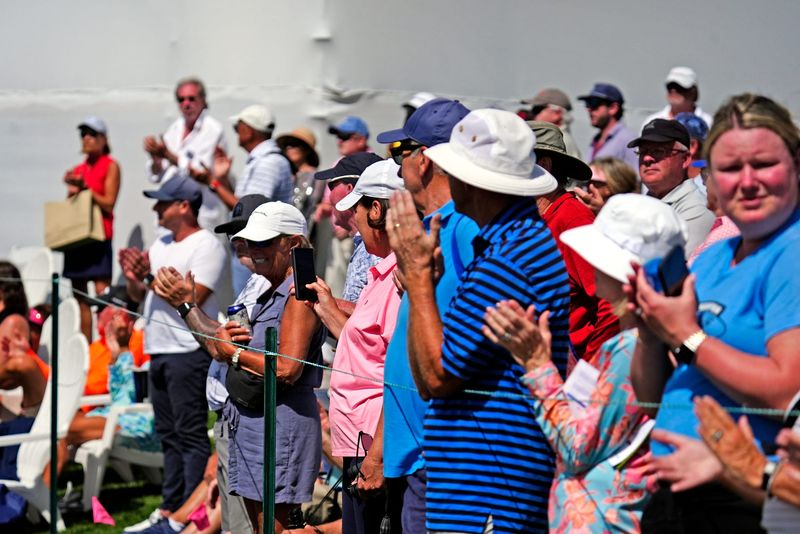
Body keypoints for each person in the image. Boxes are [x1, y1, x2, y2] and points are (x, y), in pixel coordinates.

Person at [387, 109, 570, 532]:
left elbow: (436, 376)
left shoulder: (507, 260)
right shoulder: (512, 245)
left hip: (487, 486)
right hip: (483, 482)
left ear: (475, 181)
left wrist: (417, 282)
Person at [630, 93, 800, 532]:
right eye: (728, 168)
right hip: (677, 495)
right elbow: (651, 394)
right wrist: (652, 327)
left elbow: (787, 392)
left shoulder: (792, 252)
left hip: (743, 501)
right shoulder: (713, 257)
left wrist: (687, 336)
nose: (746, 182)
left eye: (763, 164)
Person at [483, 193, 690, 532]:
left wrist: (537, 365)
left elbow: (576, 447)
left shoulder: (631, 349)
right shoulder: (635, 344)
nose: (586, 263)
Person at [376, 97, 476, 534]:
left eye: (401, 152)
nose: (396, 167)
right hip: (420, 446)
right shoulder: (437, 226)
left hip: (442, 449)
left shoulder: (465, 227)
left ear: (427, 160)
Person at [152, 194, 270, 534]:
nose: (238, 241)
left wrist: (186, 306)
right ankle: (175, 518)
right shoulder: (254, 284)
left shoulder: (270, 286)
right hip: (232, 413)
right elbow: (221, 343)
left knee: (245, 524)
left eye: (247, 231)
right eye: (234, 233)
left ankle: (177, 521)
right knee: (234, 522)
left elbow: (221, 347)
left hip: (249, 415)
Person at [211, 202, 326, 533]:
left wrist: (232, 353)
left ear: (292, 243)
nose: (253, 250)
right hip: (259, 421)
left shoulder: (299, 293)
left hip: (281, 425)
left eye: (265, 242)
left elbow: (288, 368)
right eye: (251, 242)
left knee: (278, 529)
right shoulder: (270, 288)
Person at [119, 175, 226, 527]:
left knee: (190, 433)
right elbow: (141, 298)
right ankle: (169, 508)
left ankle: (186, 513)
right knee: (168, 433)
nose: (156, 208)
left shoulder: (207, 244)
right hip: (158, 348)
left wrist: (148, 278)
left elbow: (194, 299)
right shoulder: (161, 242)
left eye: (163, 202)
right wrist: (136, 278)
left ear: (184, 206)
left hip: (187, 350)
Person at [305, 160, 405, 534]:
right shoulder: (382, 274)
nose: (355, 225)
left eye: (358, 212)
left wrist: (376, 456)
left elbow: (398, 373)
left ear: (376, 210)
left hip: (375, 441)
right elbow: (363, 344)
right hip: (361, 438)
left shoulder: (397, 281)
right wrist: (326, 308)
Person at [529, 120, 620, 362]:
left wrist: (590, 367)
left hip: (570, 371)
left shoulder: (573, 220)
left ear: (543, 165)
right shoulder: (537, 218)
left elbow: (613, 301)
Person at [201, 104, 293, 295]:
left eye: (238, 127)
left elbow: (251, 214)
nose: (236, 132)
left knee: (250, 314)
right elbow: (246, 205)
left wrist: (213, 183)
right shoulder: (264, 160)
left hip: (258, 252)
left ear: (249, 130)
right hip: (255, 250)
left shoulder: (268, 162)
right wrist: (222, 179)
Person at [61, 116, 121, 341]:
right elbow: (72, 206)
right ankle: (86, 347)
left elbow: (108, 202)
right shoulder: (79, 168)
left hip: (98, 236)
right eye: (83, 134)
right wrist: (73, 188)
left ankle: (106, 346)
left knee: (102, 295)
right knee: (80, 298)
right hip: (79, 238)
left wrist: (84, 188)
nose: (86, 138)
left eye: (91, 134)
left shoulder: (110, 165)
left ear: (103, 139)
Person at [143, 77, 228, 230]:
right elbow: (156, 175)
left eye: (191, 99)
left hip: (202, 212)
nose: (186, 104)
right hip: (171, 211)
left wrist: (169, 156)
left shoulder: (213, 130)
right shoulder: (175, 128)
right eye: (181, 100)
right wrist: (156, 158)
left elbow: (203, 173)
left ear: (202, 100)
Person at [628, 118, 715, 255]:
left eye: (658, 151)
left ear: (685, 159)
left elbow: (667, 271)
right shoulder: (646, 202)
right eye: (643, 152)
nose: (647, 159)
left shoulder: (695, 210)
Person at [578, 83, 639, 171]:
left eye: (594, 103)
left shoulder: (628, 140)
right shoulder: (595, 140)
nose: (589, 109)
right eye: (587, 104)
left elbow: (636, 178)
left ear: (613, 108)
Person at [641, 66, 714, 131]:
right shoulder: (652, 122)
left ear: (693, 91)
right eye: (670, 86)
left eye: (679, 87)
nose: (673, 91)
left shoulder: (708, 123)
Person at [276, 127, 324, 221]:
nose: (289, 148)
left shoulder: (317, 178)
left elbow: (314, 206)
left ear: (306, 149)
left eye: (294, 144)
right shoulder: (284, 175)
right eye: (287, 144)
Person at [522, 87, 582, 158]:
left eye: (537, 109)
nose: (532, 113)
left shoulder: (561, 141)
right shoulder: (557, 139)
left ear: (557, 113)